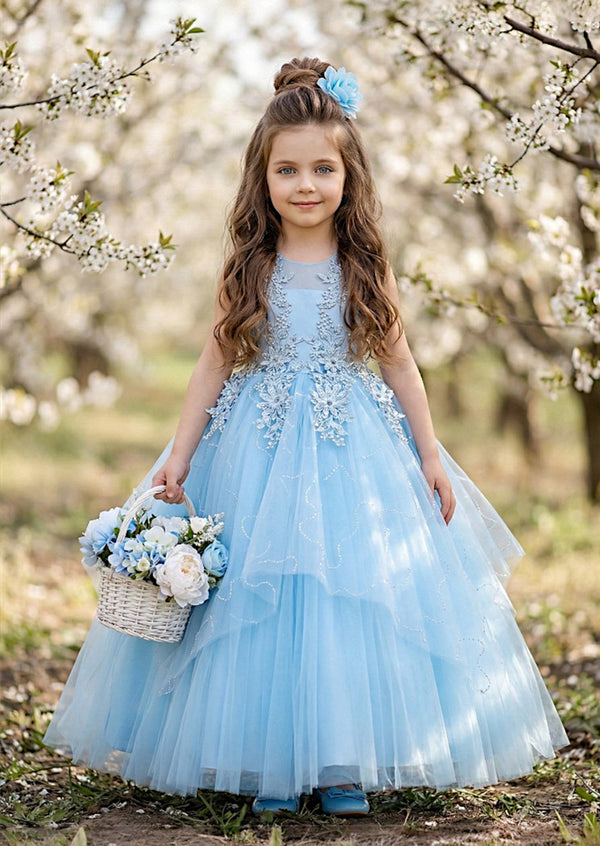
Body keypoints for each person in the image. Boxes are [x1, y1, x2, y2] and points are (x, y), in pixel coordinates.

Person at [44, 57, 568, 818]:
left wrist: (427, 453)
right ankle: (271, 765)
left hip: (351, 449)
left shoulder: (365, 267)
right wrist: (181, 454)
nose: (306, 185)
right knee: (261, 596)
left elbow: (401, 363)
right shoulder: (249, 267)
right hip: (252, 445)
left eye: (323, 168)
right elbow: (213, 363)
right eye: (286, 170)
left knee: (347, 596)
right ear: (262, 180)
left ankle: (342, 759)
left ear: (349, 175)